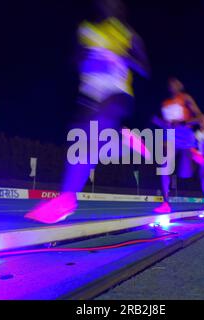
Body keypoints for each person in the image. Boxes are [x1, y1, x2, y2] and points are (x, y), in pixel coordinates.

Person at [26, 0, 149, 224]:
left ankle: (67, 199)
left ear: (121, 8)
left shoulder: (129, 35)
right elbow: (75, 59)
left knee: (88, 140)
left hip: (116, 92)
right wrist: (89, 58)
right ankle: (120, 138)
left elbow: (144, 68)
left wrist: (120, 57)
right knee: (81, 147)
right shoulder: (86, 29)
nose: (109, 6)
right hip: (91, 94)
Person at [154, 78, 204, 213]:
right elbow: (166, 123)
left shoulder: (185, 98)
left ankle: (194, 154)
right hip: (169, 134)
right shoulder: (164, 103)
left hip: (185, 133)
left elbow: (199, 116)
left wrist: (183, 122)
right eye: (169, 84)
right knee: (164, 167)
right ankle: (166, 203)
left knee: (185, 172)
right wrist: (159, 122)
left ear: (179, 86)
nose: (171, 86)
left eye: (174, 83)